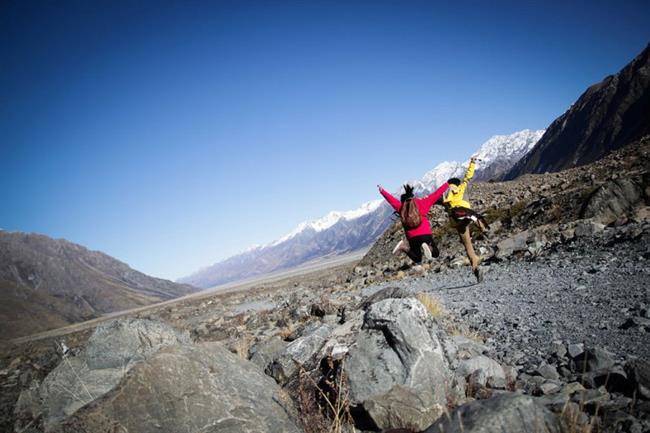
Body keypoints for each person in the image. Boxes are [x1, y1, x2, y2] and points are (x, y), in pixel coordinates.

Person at [442, 156, 489, 282]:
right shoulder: (462, 186)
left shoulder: (445, 193)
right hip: (465, 213)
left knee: (468, 246)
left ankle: (475, 267)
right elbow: (468, 175)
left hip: (456, 221)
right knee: (475, 216)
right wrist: (472, 162)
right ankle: (484, 229)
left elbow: (432, 200)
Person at [378, 182, 449, 264]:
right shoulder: (422, 203)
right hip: (425, 234)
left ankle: (403, 247)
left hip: (412, 238)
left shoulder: (401, 208)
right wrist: (447, 184)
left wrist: (382, 191)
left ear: (403, 200)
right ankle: (429, 247)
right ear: (413, 196)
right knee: (436, 253)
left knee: (417, 258)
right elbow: (436, 194)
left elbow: (391, 200)